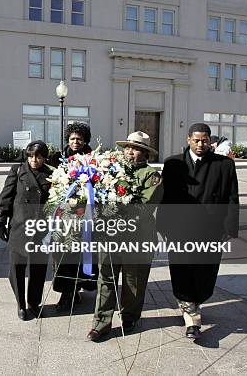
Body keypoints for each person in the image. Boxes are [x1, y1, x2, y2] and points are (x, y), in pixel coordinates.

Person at [157, 123, 239, 340]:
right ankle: (191, 316)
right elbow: (165, 197)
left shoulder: (224, 165)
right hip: (180, 228)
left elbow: (232, 197)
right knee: (182, 269)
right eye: (196, 140)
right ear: (188, 140)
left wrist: (230, 227)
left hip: (211, 229)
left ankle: (195, 301)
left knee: (206, 272)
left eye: (205, 140)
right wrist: (163, 225)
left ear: (210, 141)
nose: (201, 144)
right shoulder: (173, 163)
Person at [87, 131, 163, 341]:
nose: (130, 152)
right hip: (109, 236)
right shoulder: (110, 170)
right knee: (106, 279)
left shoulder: (151, 176)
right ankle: (101, 323)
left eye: (136, 149)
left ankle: (129, 317)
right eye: (128, 147)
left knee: (133, 281)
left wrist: (116, 206)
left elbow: (145, 207)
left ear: (145, 154)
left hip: (137, 238)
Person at [0, 140, 53, 320]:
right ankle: (21, 304)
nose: (33, 160)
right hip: (19, 226)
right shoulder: (18, 170)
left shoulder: (51, 174)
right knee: (17, 267)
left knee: (38, 268)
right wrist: (0, 220)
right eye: (30, 156)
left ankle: (33, 303)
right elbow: (7, 195)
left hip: (41, 229)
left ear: (44, 157)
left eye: (38, 156)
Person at [52, 122, 98, 309]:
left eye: (79, 138)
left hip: (87, 213)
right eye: (72, 138)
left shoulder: (95, 159)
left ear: (85, 139)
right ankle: (66, 291)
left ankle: (78, 287)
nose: (75, 142)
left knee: (84, 252)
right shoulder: (59, 158)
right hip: (65, 215)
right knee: (64, 255)